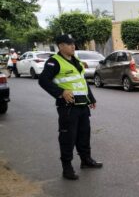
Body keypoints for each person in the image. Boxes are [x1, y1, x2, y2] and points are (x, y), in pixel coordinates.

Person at [39, 34, 103, 180]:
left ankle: (86, 160)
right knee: (68, 137)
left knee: (84, 135)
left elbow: (82, 81)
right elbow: (43, 80)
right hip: (68, 107)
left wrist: (91, 98)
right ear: (61, 46)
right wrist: (60, 92)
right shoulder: (54, 62)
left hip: (82, 105)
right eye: (69, 44)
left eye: (73, 43)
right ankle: (67, 168)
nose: (73, 46)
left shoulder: (76, 61)